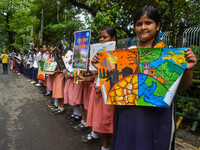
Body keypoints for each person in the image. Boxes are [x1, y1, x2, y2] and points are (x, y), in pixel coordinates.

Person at [92, 6, 197, 150]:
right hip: (127, 116)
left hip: (158, 119)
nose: (143, 27)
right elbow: (114, 85)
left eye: (148, 23)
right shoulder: (125, 54)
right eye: (139, 24)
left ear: (158, 25)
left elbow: (183, 87)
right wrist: (101, 68)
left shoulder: (170, 55)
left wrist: (187, 70)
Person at [90, 26, 117, 150]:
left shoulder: (119, 55)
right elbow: (98, 73)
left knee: (110, 123)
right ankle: (105, 147)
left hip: (112, 95)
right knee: (104, 124)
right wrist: (93, 66)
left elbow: (120, 77)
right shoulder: (99, 55)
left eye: (105, 37)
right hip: (100, 92)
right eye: (100, 37)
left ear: (113, 38)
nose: (101, 39)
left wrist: (105, 87)